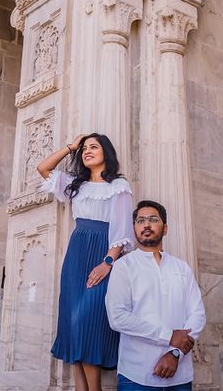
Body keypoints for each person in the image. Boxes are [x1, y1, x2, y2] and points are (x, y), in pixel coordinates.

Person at [37, 133, 135, 391]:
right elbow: (43, 168)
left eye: (94, 147)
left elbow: (123, 231)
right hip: (77, 255)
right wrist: (71, 146)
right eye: (84, 149)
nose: (87, 151)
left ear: (107, 153)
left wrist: (107, 262)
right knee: (73, 324)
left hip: (102, 255)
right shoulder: (75, 185)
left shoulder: (119, 186)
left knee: (88, 321)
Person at [106, 200, 206, 390]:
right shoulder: (124, 266)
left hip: (180, 376)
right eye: (140, 221)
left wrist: (175, 352)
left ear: (165, 228)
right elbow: (117, 317)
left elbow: (197, 314)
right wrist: (168, 336)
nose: (146, 225)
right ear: (134, 228)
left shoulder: (181, 267)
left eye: (153, 219)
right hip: (136, 376)